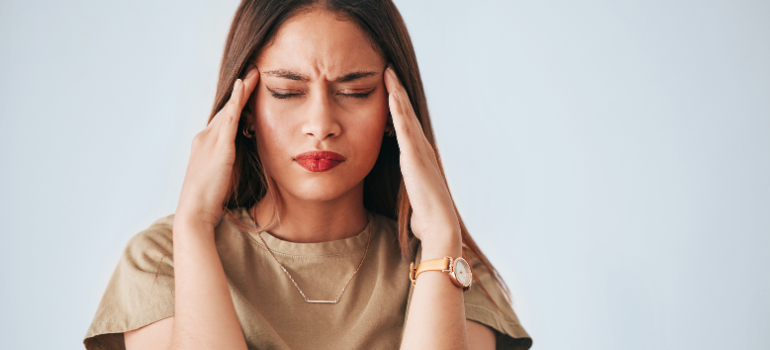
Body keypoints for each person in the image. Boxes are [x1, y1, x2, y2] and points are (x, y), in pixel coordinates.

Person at [83, 1, 532, 349]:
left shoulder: (453, 268)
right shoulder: (162, 261)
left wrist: (438, 234)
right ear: (245, 111)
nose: (321, 124)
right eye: (286, 92)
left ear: (395, 110)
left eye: (355, 91)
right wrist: (194, 227)